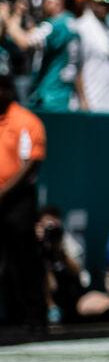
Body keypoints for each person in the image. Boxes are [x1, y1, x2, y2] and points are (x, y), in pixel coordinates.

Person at [0, 76, 46, 328]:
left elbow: (30, 163)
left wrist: (4, 191)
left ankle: (35, 315)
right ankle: (13, 315)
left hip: (18, 202)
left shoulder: (25, 121)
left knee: (24, 258)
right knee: (5, 262)